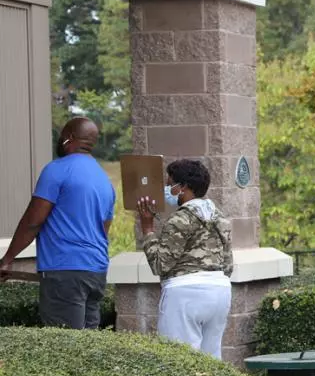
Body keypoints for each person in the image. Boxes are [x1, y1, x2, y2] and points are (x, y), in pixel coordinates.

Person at [0, 118, 115, 329]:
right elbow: (103, 229)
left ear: (68, 138)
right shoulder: (104, 179)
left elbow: (33, 222)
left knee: (67, 346)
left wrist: (7, 259)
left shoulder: (56, 170)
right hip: (96, 271)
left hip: (65, 272)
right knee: (89, 347)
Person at [136, 160, 233, 358]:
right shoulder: (221, 219)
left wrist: (147, 228)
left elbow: (160, 265)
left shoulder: (179, 219)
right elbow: (228, 265)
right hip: (220, 292)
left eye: (170, 183)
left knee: (178, 361)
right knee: (211, 362)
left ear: (184, 187)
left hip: (184, 294)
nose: (167, 188)